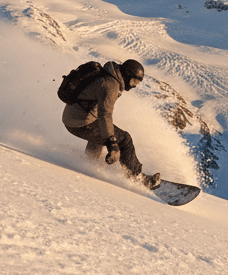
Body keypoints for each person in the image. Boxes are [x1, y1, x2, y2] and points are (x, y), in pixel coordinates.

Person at [62, 58, 162, 189]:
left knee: (102, 132)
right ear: (127, 75)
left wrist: (109, 139)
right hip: (80, 122)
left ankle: (89, 163)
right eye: (134, 81)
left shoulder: (110, 75)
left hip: (73, 117)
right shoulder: (110, 85)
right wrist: (112, 144)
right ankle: (138, 178)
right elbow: (105, 115)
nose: (134, 86)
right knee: (125, 139)